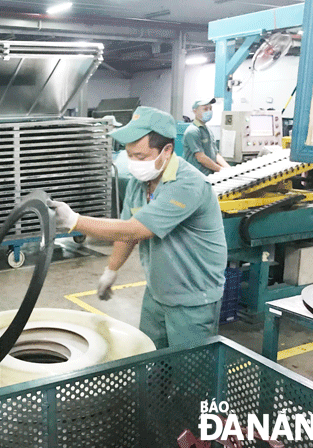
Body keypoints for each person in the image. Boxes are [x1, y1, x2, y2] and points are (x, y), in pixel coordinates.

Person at [48, 106, 227, 349]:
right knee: (152, 363)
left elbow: (133, 230)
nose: (133, 163)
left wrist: (73, 221)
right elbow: (126, 233)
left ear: (167, 150)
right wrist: (111, 270)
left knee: (190, 375)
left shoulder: (187, 184)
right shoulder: (139, 182)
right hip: (157, 293)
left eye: (140, 157)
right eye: (129, 155)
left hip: (193, 299)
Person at [182, 98, 230, 175]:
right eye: (205, 109)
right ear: (195, 111)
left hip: (208, 175)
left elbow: (215, 154)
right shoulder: (192, 131)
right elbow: (201, 157)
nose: (209, 111)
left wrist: (228, 169)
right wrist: (220, 170)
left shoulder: (208, 130)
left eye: (210, 109)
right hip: (196, 176)